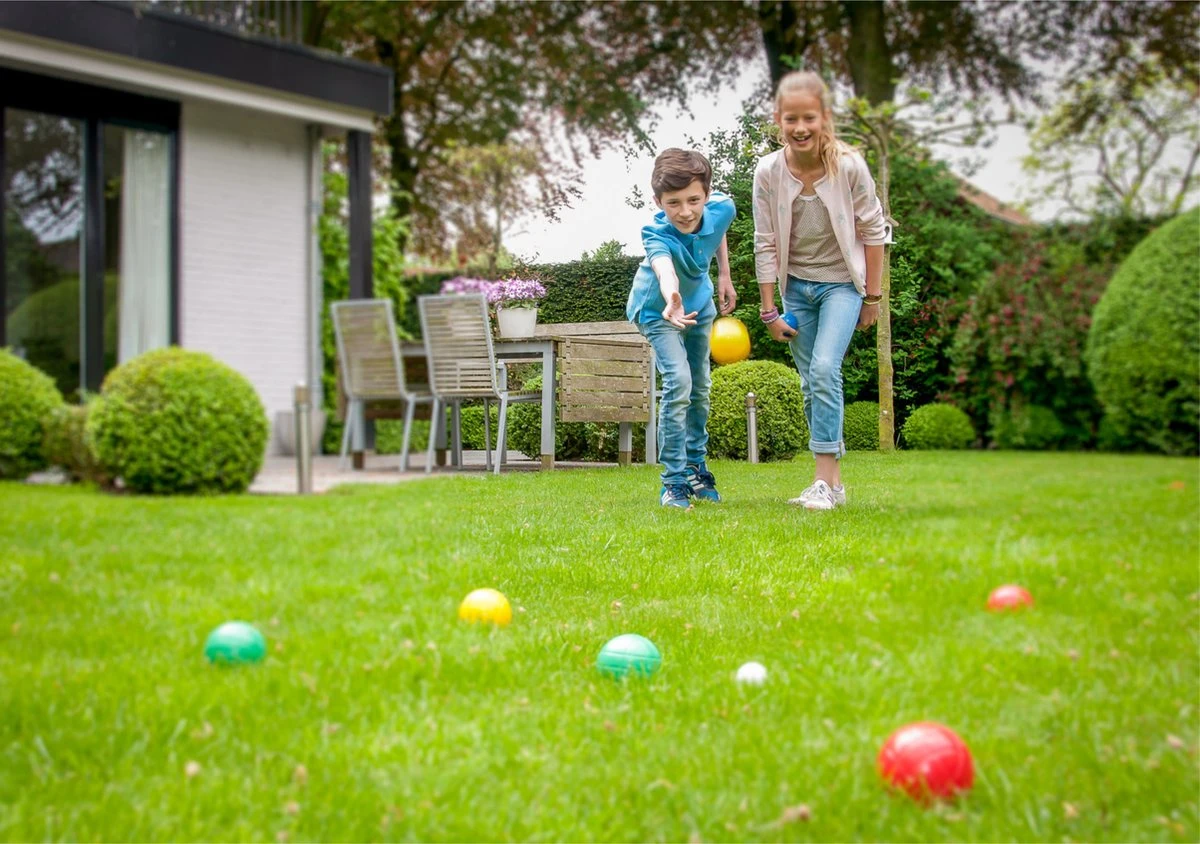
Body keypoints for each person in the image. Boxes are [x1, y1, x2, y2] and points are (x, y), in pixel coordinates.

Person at [752, 71, 890, 511]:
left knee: (826, 369)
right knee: (813, 384)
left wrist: (872, 296)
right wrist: (770, 311)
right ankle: (833, 484)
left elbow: (874, 231)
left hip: (841, 287)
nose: (800, 128)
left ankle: (822, 484)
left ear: (825, 117)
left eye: (809, 117)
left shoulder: (849, 167)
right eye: (791, 118)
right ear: (778, 119)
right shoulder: (768, 172)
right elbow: (765, 241)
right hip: (797, 292)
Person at [627, 149, 738, 509]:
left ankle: (695, 467)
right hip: (659, 310)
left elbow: (716, 226)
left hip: (700, 304)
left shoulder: (723, 207)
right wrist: (671, 294)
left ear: (707, 194)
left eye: (694, 200)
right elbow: (663, 267)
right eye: (673, 203)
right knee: (680, 383)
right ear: (658, 201)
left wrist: (724, 273)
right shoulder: (655, 232)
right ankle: (673, 481)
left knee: (701, 387)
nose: (686, 212)